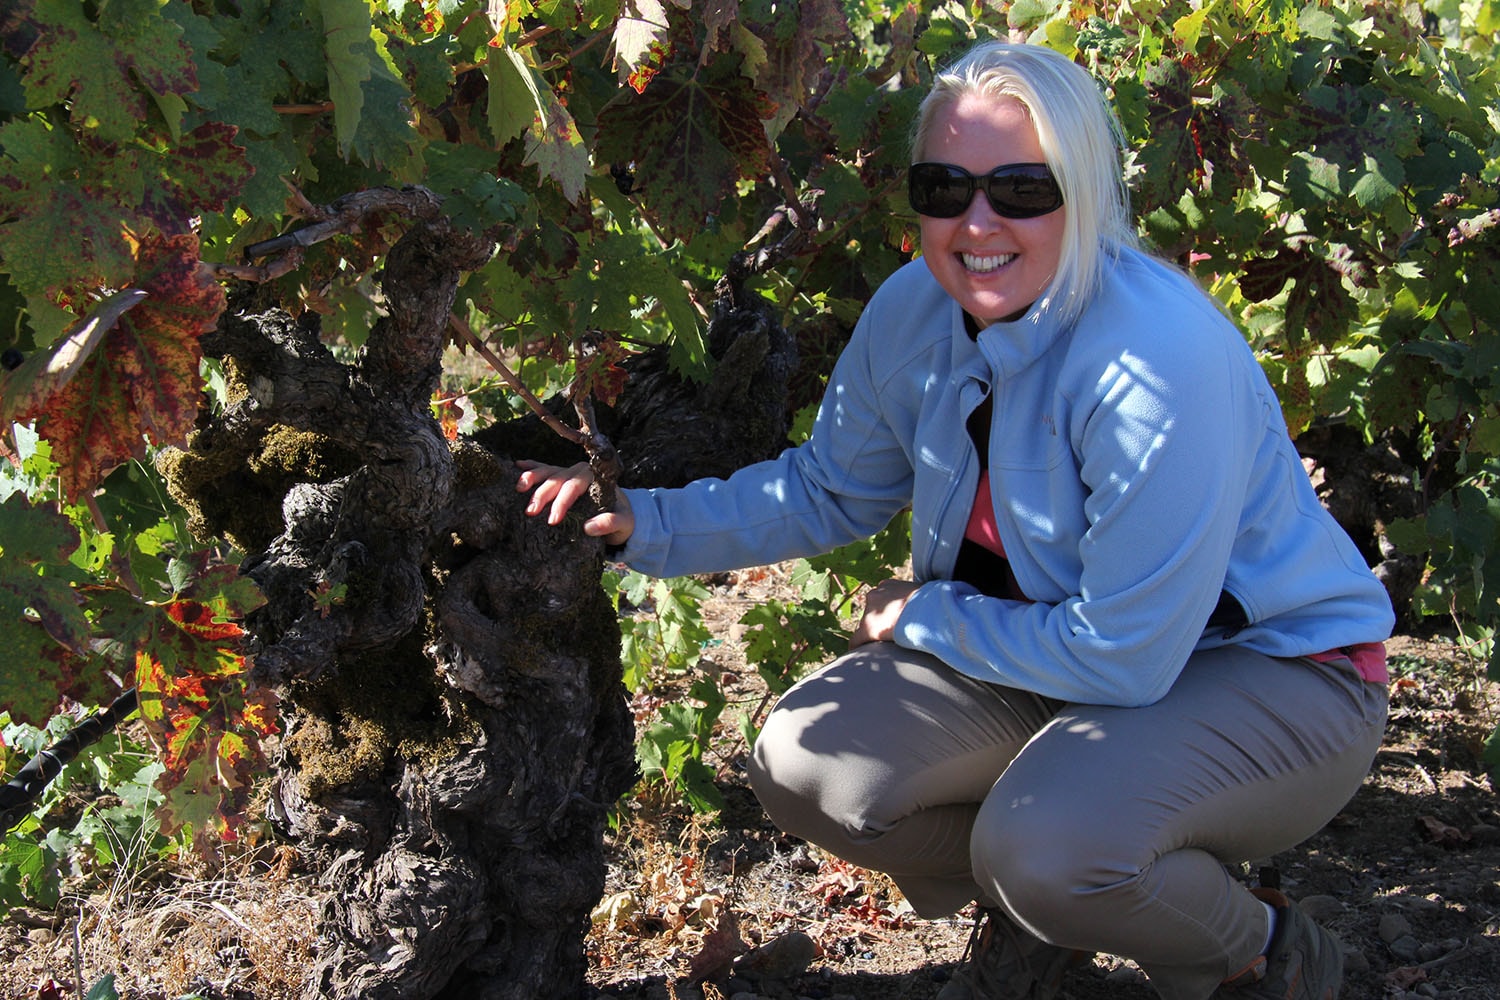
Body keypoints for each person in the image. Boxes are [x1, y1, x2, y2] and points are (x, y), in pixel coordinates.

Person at [517, 40, 1392, 1000]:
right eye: (945, 186)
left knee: (1050, 850)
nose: (978, 222)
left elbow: (1127, 657)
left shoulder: (1155, 364)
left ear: (1086, 191)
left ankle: (1253, 948)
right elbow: (829, 488)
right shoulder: (915, 310)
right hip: (1056, 656)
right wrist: (641, 521)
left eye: (1022, 189)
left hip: (1268, 674)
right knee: (811, 763)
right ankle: (1071, 880)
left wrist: (921, 616)